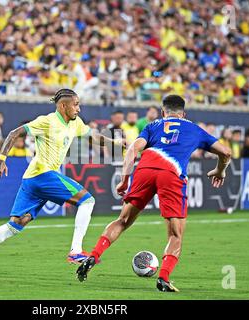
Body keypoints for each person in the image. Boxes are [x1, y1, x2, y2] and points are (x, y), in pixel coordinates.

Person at [0, 88, 123, 275]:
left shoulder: (75, 123)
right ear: (63, 105)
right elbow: (14, 133)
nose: (79, 108)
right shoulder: (47, 121)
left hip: (31, 179)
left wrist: (114, 143)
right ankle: (75, 251)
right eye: (75, 104)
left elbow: (94, 137)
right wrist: (1, 159)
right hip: (43, 175)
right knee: (87, 200)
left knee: (16, 224)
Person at [76, 95, 232, 293]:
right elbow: (226, 152)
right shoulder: (194, 128)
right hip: (172, 174)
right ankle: (164, 278)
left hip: (145, 169)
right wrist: (220, 170)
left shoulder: (153, 125)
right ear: (183, 114)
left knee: (122, 220)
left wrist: (124, 179)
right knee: (175, 234)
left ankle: (94, 255)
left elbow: (133, 149)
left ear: (163, 112)